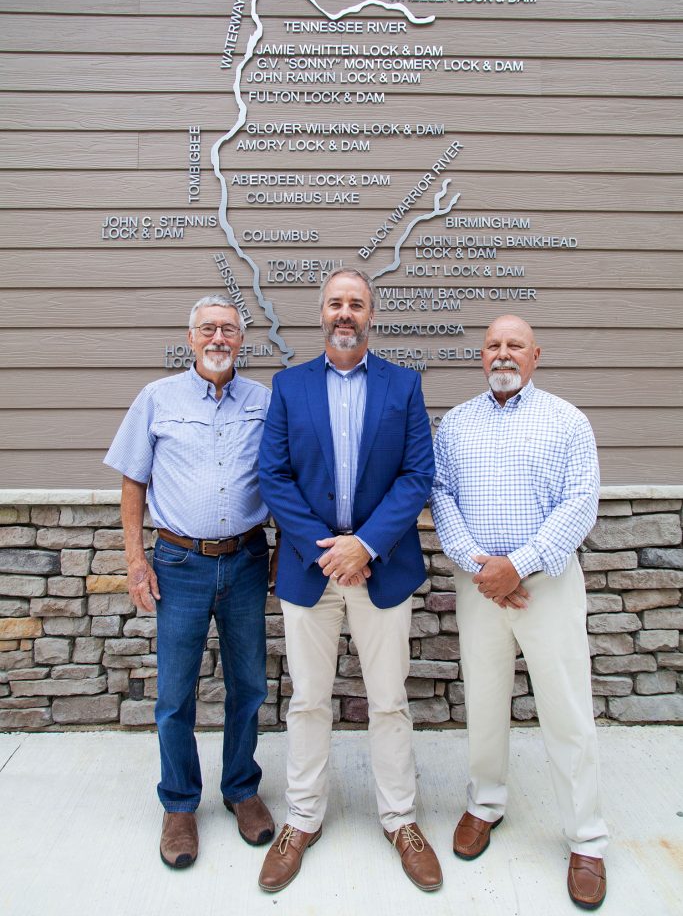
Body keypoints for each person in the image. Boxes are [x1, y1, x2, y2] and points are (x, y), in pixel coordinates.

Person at [256, 267, 442, 893]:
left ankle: (401, 819)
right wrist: (327, 550)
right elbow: (274, 476)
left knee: (388, 700)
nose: (345, 313)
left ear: (370, 314)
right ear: (321, 313)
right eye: (335, 303)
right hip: (313, 572)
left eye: (355, 304)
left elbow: (418, 475)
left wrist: (364, 545)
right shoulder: (288, 387)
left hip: (380, 568)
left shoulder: (404, 386)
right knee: (308, 700)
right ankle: (302, 818)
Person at [431, 314, 608, 910]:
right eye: (492, 345)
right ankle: (484, 804)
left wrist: (520, 565)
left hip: (547, 586)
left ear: (536, 355)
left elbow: (580, 503)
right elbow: (442, 495)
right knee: (483, 702)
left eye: (514, 346)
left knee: (566, 709)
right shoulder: (456, 425)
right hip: (479, 584)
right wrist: (482, 567)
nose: (502, 354)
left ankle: (586, 838)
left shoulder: (566, 421)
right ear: (482, 356)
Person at [104, 294, 274, 869]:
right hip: (178, 563)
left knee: (249, 686)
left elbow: (282, 477)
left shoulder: (264, 401)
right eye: (208, 329)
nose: (218, 338)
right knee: (175, 694)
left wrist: (284, 548)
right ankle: (179, 805)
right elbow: (133, 483)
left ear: (242, 339)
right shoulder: (157, 399)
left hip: (247, 560)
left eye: (228, 329)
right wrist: (134, 559)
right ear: (191, 336)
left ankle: (241, 790)